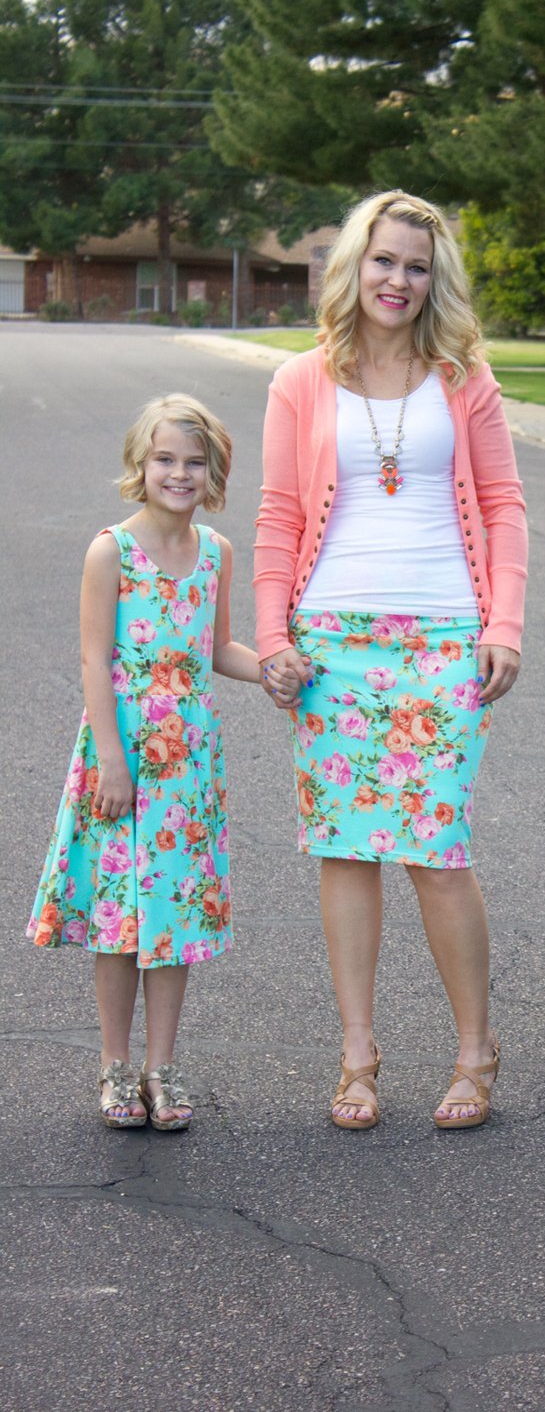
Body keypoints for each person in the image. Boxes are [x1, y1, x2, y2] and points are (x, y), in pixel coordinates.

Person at [255, 189, 528, 1131]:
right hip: (331, 641)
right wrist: (274, 637)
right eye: (384, 261)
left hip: (445, 637)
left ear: (434, 277)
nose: (399, 280)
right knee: (344, 850)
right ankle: (358, 1057)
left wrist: (507, 624)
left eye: (417, 265)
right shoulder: (300, 381)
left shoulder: (464, 376)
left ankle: (472, 1051)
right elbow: (280, 515)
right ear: (353, 267)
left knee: (437, 852)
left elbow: (503, 506)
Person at [27, 395, 286, 1130]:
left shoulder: (217, 553)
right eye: (165, 459)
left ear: (214, 472)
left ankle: (161, 1069)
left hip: (188, 765)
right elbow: (92, 656)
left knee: (172, 917)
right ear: (140, 465)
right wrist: (111, 757)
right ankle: (114, 1068)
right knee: (119, 920)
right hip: (122, 755)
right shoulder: (111, 548)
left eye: (194, 462)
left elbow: (216, 649)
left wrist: (274, 669)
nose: (179, 473)